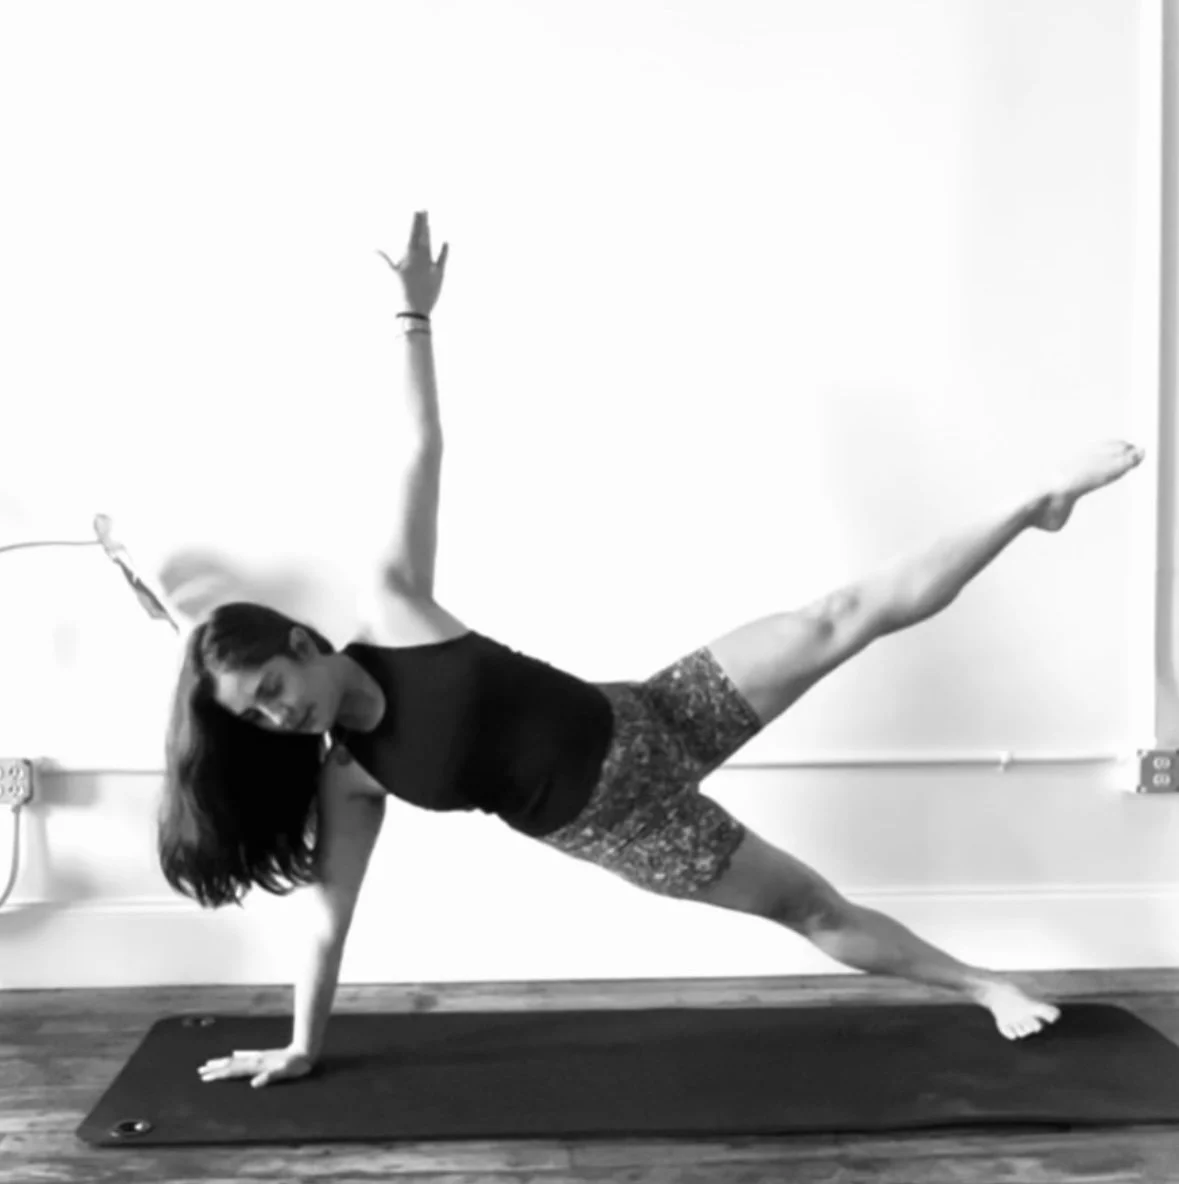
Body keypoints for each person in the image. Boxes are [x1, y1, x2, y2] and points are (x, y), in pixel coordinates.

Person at [168, 210, 1146, 1089]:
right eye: (256, 715)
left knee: (840, 613)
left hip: (654, 710)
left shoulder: (393, 605)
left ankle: (1031, 505)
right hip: (633, 826)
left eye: (271, 688)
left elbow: (419, 450)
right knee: (811, 907)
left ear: (300, 642)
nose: (277, 713)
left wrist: (413, 322)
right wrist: (301, 1045)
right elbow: (331, 919)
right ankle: (984, 986)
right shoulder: (352, 778)